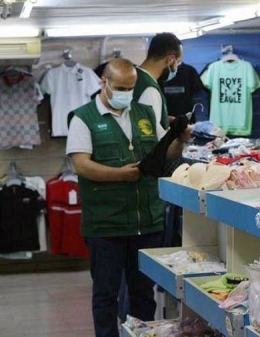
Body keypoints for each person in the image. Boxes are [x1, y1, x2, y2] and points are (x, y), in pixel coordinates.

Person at [66, 58, 189, 337]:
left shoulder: (144, 113)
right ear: (104, 83)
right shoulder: (83, 118)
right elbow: (81, 164)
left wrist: (180, 140)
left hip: (146, 221)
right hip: (106, 224)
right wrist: (119, 174)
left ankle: (142, 334)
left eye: (131, 88)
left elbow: (164, 153)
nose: (126, 93)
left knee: (143, 294)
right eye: (120, 87)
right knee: (106, 295)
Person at [134, 32, 183, 140]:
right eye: (178, 62)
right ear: (170, 59)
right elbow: (151, 136)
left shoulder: (134, 76)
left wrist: (164, 120)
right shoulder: (150, 90)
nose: (177, 67)